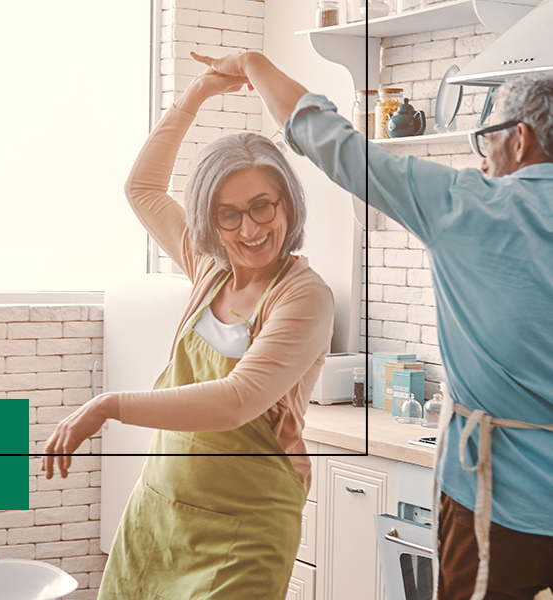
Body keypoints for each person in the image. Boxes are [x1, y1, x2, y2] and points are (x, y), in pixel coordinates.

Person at [190, 50, 553, 600]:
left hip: (497, 502)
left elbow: (328, 139)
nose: (483, 159)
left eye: (489, 138)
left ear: (519, 138)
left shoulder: (466, 204)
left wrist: (255, 65)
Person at [41, 68, 335, 599]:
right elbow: (142, 188)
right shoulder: (210, 269)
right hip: (160, 510)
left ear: (286, 204)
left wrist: (106, 406)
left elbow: (235, 401)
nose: (250, 229)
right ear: (209, 220)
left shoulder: (302, 295)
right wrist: (195, 94)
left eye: (262, 206)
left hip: (244, 529)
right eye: (228, 215)